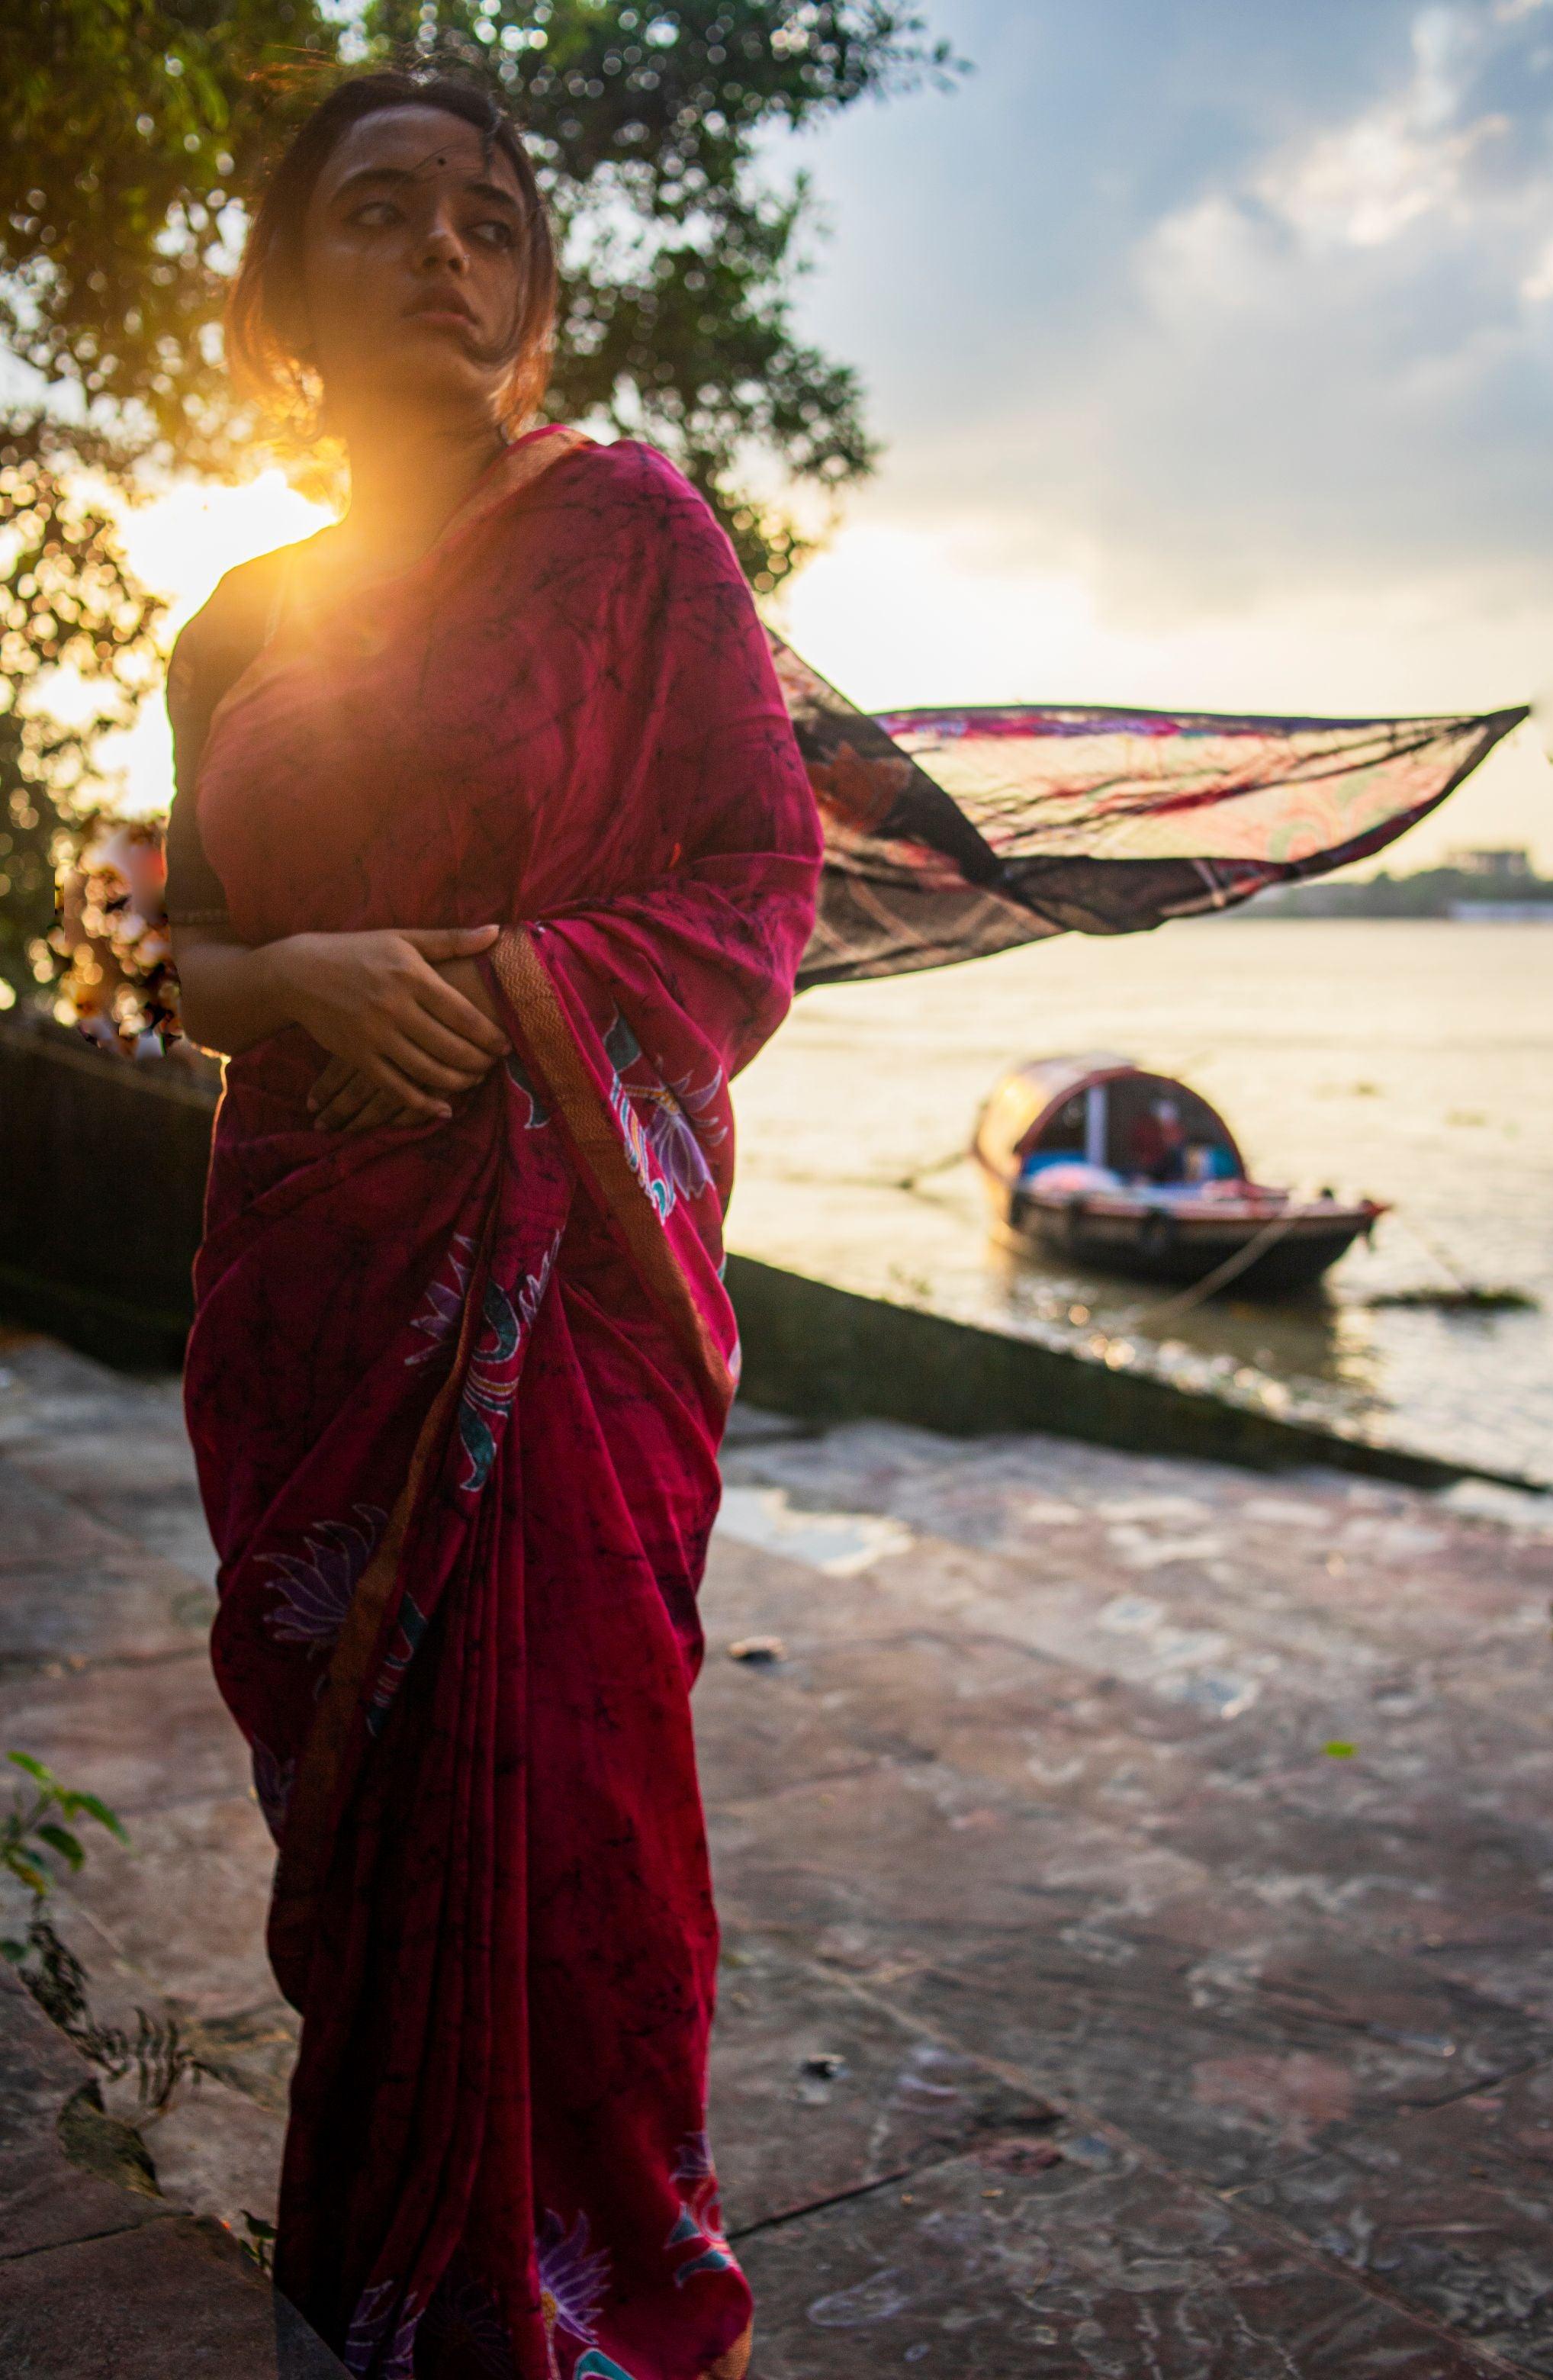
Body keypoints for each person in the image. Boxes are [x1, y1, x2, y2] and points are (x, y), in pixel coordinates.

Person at [164, 69, 820, 2380]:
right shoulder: (234, 624)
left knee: (575, 1836)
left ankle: (595, 2313)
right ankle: (378, 2291)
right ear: (287, 297)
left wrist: (516, 993)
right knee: (364, 1841)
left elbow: (759, 889)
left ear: (533, 295)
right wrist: (309, 982)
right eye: (381, 215)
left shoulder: (634, 537)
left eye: (488, 222)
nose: (444, 253)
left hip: (558, 1315)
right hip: (315, 1293)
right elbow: (194, 950)